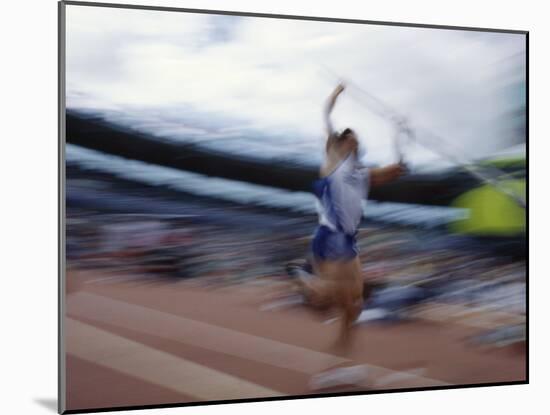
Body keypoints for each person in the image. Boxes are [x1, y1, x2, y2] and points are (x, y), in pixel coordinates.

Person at [299, 83, 405, 354]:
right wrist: (334, 94)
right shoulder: (333, 159)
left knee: (354, 305)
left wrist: (399, 133)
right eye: (347, 136)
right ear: (341, 142)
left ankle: (341, 355)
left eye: (354, 137)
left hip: (348, 239)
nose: (351, 138)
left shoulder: (363, 173)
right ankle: (310, 285)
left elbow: (397, 171)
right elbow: (326, 117)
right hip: (330, 234)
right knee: (328, 299)